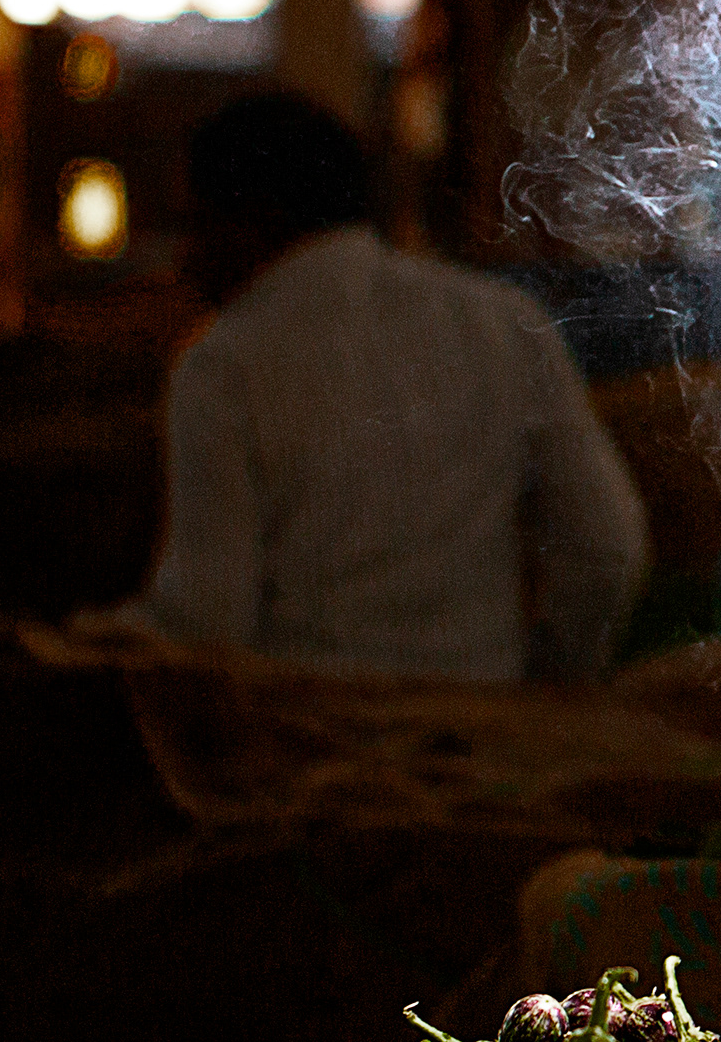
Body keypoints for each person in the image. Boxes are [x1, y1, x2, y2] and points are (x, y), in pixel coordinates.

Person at [107, 90, 648, 683]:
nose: (186, 261)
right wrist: (556, 674)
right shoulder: (505, 323)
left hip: (311, 744)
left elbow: (206, 622)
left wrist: (78, 643)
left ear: (253, 223)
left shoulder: (220, 368)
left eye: (196, 225)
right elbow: (608, 550)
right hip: (483, 732)